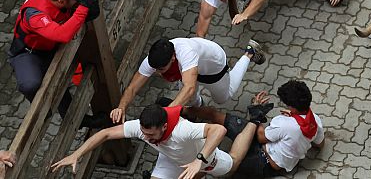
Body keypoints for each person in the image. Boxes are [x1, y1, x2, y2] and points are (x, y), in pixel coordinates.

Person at [8, 0, 104, 128]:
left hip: (50, 45)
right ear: (61, 1)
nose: (78, 2)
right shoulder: (35, 14)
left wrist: (89, 0)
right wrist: (84, 6)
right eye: (75, 1)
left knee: (60, 82)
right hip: (29, 53)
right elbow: (62, 35)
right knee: (31, 84)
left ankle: (78, 120)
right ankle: (43, 112)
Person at [51, 104, 232, 178]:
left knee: (232, 164)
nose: (146, 138)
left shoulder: (182, 130)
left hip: (204, 158)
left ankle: (249, 127)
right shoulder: (141, 128)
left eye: (151, 135)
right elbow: (105, 133)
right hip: (171, 158)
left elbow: (218, 129)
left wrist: (199, 161)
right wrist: (76, 154)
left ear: (164, 126)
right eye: (144, 133)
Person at [109, 38, 266, 124]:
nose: (156, 73)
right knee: (189, 100)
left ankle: (249, 53)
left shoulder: (186, 52)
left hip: (212, 68)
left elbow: (189, 88)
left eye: (161, 70)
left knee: (224, 97)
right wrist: (121, 107)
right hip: (190, 73)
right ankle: (198, 111)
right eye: (154, 69)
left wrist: (165, 113)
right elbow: (132, 88)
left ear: (173, 57)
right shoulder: (154, 59)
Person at [187, 80, 325, 177]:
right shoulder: (315, 121)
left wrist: (257, 111)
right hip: (271, 159)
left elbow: (260, 136)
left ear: (291, 107)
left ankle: (182, 111)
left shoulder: (283, 123)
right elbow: (319, 144)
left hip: (262, 162)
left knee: (216, 165)